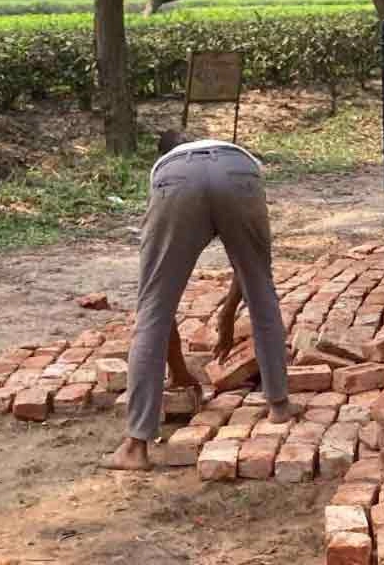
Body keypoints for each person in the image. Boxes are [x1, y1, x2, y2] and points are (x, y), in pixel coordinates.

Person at [102, 130, 293, 471]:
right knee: (262, 291)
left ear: (163, 154)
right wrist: (229, 312)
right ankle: (279, 406)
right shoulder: (224, 150)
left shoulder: (167, 167)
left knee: (153, 308)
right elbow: (248, 270)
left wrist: (179, 370)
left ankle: (136, 447)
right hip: (238, 172)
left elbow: (160, 305)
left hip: (177, 184)